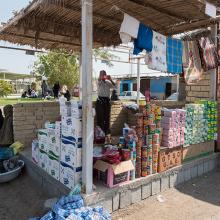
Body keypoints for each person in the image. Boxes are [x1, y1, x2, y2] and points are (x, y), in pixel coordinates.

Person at [96, 70, 115, 137]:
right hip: (100, 101)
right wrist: (101, 78)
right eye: (102, 74)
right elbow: (99, 81)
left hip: (107, 101)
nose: (104, 75)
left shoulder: (108, 82)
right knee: (101, 117)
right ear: (100, 75)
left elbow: (115, 87)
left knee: (107, 117)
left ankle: (106, 133)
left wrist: (111, 79)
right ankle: (100, 133)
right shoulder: (98, 81)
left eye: (104, 74)